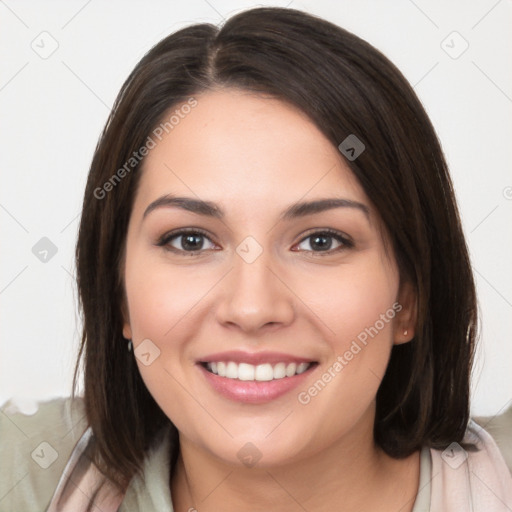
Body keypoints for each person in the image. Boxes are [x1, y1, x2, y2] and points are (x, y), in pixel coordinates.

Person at [1, 6, 511, 512]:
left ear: (408, 298)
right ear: (119, 293)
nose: (251, 308)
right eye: (191, 241)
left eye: (321, 241)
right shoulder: (20, 473)